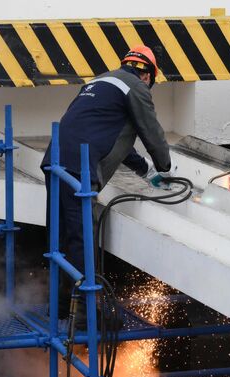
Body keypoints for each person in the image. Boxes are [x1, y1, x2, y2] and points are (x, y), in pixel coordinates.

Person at [41, 45, 175, 319]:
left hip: (55, 160)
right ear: (148, 75)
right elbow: (151, 131)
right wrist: (164, 166)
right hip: (80, 167)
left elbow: (112, 135)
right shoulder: (135, 87)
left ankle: (59, 306)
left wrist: (147, 172)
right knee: (81, 238)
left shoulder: (100, 81)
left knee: (60, 236)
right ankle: (83, 314)